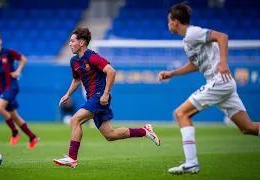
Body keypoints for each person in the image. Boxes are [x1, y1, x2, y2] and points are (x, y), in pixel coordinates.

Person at [158, 3, 260, 174]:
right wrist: (172, 73)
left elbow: (222, 37)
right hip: (223, 84)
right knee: (247, 128)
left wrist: (223, 62)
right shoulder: (187, 41)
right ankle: (191, 163)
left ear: (175, 21)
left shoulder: (193, 33)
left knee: (181, 113)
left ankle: (191, 162)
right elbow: (194, 65)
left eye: (169, 21)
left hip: (219, 81)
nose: (168, 24)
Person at [53, 28, 161, 168]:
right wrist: (67, 94)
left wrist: (105, 94)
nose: (69, 44)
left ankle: (72, 158)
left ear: (81, 42)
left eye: (72, 41)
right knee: (111, 135)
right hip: (92, 98)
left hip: (99, 97)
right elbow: (76, 80)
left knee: (75, 119)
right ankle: (145, 131)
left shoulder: (91, 56)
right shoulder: (74, 61)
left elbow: (111, 71)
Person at [0, 31, 39, 149]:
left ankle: (14, 132)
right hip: (2, 89)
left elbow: (23, 59)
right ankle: (32, 137)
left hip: (12, 86)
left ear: (0, 41)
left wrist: (18, 71)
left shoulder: (8, 52)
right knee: (14, 116)